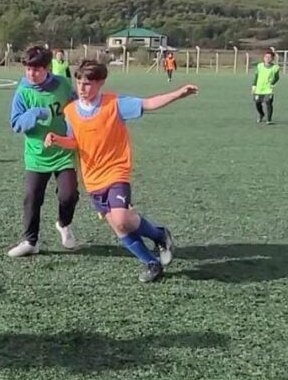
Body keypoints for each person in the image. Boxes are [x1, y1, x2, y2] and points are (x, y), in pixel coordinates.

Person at [45, 60, 197, 282]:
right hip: (92, 178)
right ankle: (151, 263)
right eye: (79, 82)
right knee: (119, 227)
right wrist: (57, 139)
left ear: (100, 83)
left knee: (122, 218)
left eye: (87, 83)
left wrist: (178, 94)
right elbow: (74, 142)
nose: (82, 88)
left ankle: (159, 234)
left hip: (116, 171)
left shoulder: (114, 104)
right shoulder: (70, 111)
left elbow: (149, 103)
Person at [7, 46, 79, 257]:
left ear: (47, 68)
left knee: (69, 195)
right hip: (37, 154)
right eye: (28, 69)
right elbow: (16, 124)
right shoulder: (23, 92)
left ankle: (64, 224)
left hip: (63, 150)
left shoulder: (63, 84)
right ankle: (30, 241)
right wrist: (35, 113)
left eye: (37, 69)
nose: (32, 74)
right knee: (31, 197)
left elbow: (76, 106)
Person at [251, 50, 280, 124]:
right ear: (264, 58)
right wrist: (254, 85)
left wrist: (272, 83)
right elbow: (256, 76)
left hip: (268, 89)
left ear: (272, 59)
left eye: (270, 57)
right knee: (257, 103)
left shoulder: (275, 67)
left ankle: (269, 119)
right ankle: (261, 114)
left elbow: (277, 77)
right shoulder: (259, 66)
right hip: (259, 88)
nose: (267, 58)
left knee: (268, 102)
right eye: (266, 57)